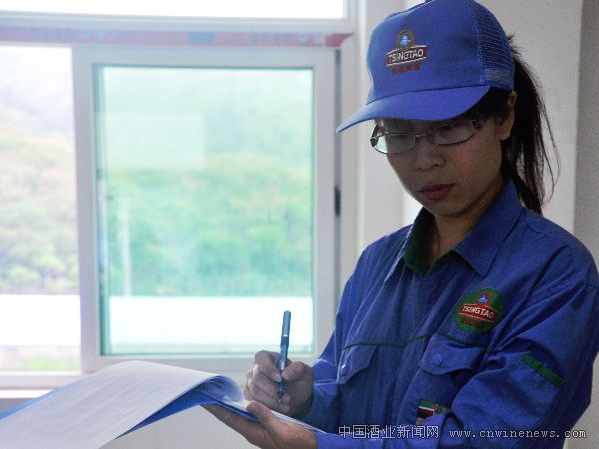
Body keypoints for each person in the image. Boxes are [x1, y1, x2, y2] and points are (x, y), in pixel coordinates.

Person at [205, 1, 599, 448]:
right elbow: (346, 405)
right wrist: (306, 400)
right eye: (398, 132)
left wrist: (314, 445)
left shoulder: (556, 275)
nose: (424, 159)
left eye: (448, 127)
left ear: (505, 115)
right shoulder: (376, 265)